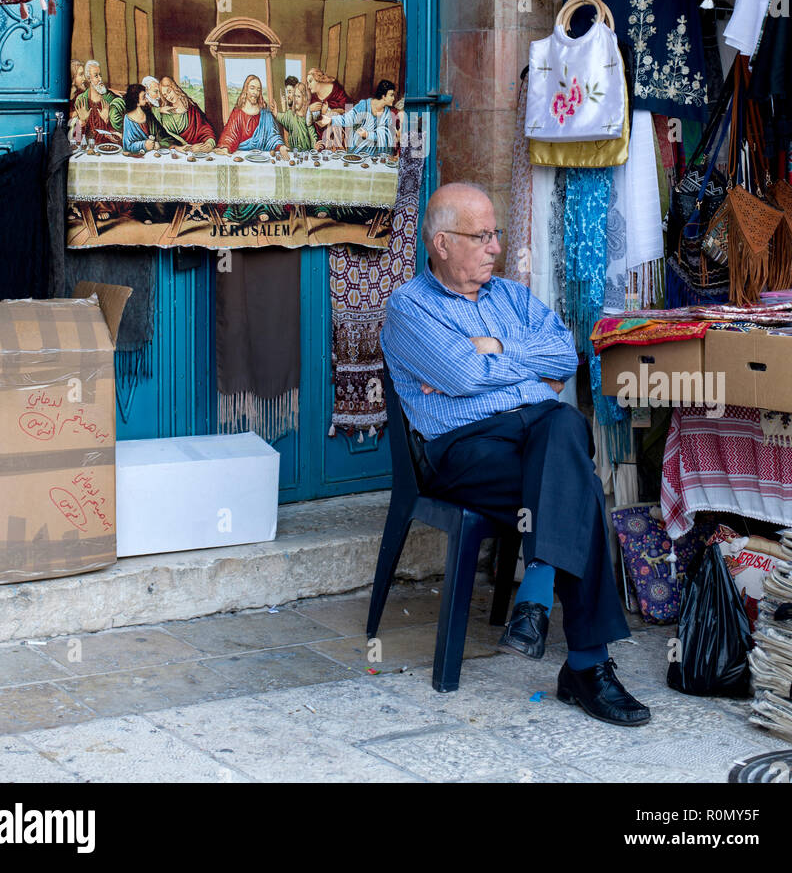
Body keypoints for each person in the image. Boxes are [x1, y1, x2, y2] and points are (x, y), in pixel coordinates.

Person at [380, 183, 651, 728]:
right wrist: (517, 371)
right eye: (480, 237)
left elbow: (566, 353)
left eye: (495, 234)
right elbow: (461, 375)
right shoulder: (410, 307)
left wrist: (495, 349)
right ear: (441, 243)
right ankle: (582, 660)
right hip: (462, 450)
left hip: (531, 438)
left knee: (562, 441)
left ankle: (544, 606)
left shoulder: (510, 297)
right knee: (569, 454)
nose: (495, 248)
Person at [215, 75, 289, 157]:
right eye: (252, 88)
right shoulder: (237, 113)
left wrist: (281, 147)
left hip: (262, 157)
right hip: (241, 157)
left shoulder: (265, 112)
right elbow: (230, 135)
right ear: (246, 89)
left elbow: (273, 136)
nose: (255, 92)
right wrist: (225, 148)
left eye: (258, 89)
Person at [154, 76, 217, 151]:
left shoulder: (192, 108)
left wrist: (209, 143)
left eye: (169, 91)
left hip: (197, 150)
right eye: (165, 95)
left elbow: (205, 128)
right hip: (175, 152)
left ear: (174, 88)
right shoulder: (164, 113)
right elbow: (163, 138)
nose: (169, 97)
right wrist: (177, 147)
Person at [338, 79, 398, 156]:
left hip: (377, 151)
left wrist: (368, 135)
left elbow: (387, 135)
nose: (393, 98)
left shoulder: (387, 113)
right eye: (391, 95)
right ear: (383, 96)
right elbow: (350, 120)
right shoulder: (364, 105)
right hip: (359, 147)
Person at [73, 60, 122, 144]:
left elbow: (118, 128)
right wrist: (82, 122)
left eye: (100, 75)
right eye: (96, 76)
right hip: (88, 147)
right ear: (89, 78)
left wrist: (107, 121)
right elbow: (76, 136)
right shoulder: (81, 100)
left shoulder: (110, 98)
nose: (100, 79)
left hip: (107, 146)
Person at [270, 81, 320, 151]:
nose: (295, 99)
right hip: (294, 154)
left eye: (298, 96)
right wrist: (275, 113)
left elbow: (312, 136)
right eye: (294, 96)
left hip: (306, 154)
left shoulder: (308, 117)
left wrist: (315, 146)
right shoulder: (290, 115)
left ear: (304, 99)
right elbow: (280, 116)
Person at [120, 84, 159, 155]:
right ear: (137, 102)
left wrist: (158, 144)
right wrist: (144, 145)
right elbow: (127, 146)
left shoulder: (149, 115)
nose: (147, 100)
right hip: (136, 157)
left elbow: (161, 135)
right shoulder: (128, 119)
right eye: (144, 98)